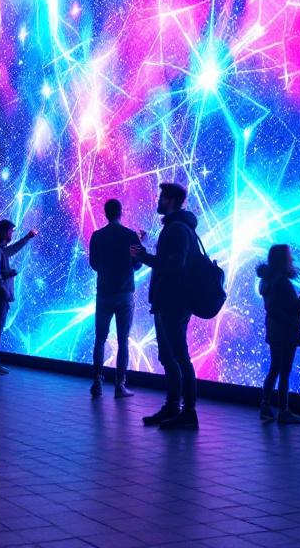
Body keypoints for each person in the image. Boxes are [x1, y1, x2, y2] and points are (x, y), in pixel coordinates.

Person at [131, 182, 201, 430]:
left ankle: (188, 412)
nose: (158, 201)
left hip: (174, 302)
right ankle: (173, 407)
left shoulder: (178, 230)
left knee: (179, 357)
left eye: (161, 197)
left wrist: (144, 257)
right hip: (168, 301)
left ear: (170, 200)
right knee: (169, 357)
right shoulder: (176, 228)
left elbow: (174, 265)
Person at [88, 198, 141, 398]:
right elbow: (137, 264)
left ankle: (97, 382)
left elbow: (93, 263)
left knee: (100, 339)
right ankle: (120, 385)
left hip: (103, 293)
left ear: (106, 213)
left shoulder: (97, 236)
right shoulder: (130, 235)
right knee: (123, 341)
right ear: (121, 212)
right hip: (125, 293)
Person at [0, 219, 37, 375]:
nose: (12, 233)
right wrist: (5, 293)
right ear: (5, 232)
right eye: (11, 231)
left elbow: (12, 251)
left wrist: (27, 237)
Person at [257, 244, 300, 425]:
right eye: (289, 255)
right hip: (286, 330)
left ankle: (266, 405)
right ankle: (284, 410)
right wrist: (297, 317)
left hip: (274, 328)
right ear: (282, 259)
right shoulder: (282, 282)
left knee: (275, 367)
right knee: (284, 371)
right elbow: (289, 307)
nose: (291, 258)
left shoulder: (268, 281)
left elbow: (274, 307)